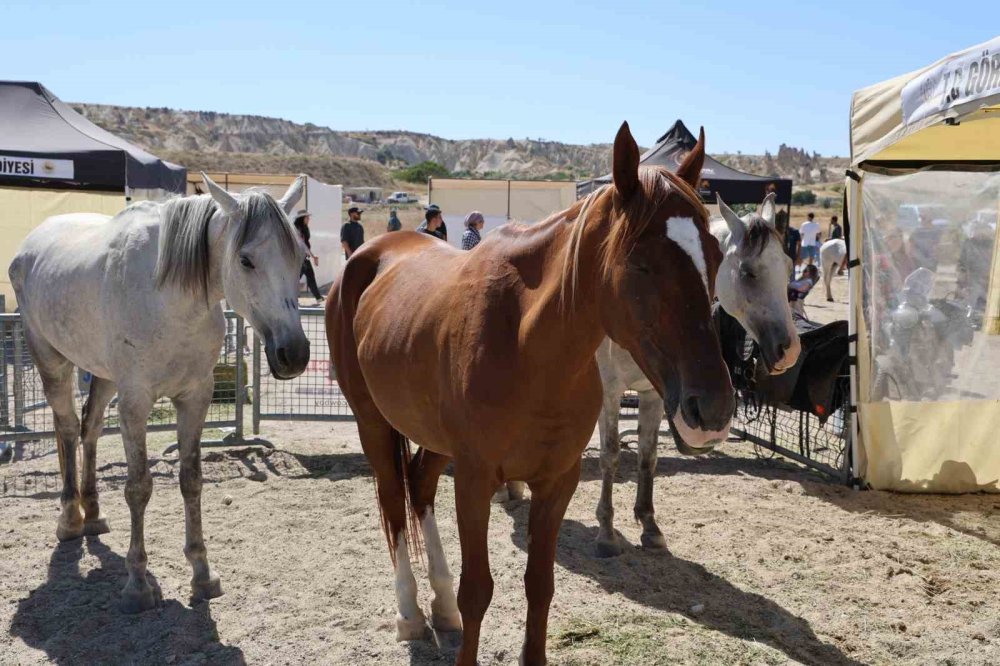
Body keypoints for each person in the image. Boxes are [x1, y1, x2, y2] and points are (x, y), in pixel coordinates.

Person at [293, 210, 323, 305]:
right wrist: (313, 256)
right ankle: (292, 298)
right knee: (296, 279)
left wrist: (311, 256)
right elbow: (302, 244)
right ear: (302, 218)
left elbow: (305, 244)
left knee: (310, 276)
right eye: (307, 217)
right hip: (299, 258)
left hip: (304, 257)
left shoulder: (305, 228)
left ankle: (318, 297)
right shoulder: (297, 229)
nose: (309, 219)